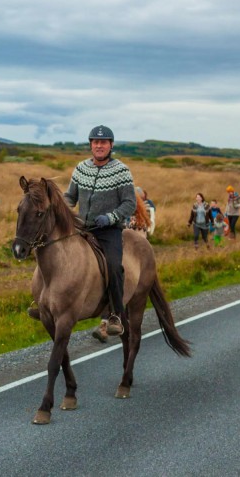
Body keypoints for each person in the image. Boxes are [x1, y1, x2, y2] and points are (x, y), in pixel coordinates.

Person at [63, 125, 136, 337]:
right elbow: (70, 197)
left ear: (111, 145)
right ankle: (45, 302)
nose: (99, 145)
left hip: (108, 230)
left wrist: (111, 217)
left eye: (103, 142)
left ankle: (114, 315)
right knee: (55, 253)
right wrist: (60, 206)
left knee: (114, 266)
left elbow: (129, 203)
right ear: (90, 145)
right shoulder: (81, 168)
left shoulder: (121, 170)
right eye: (95, 142)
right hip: (82, 228)